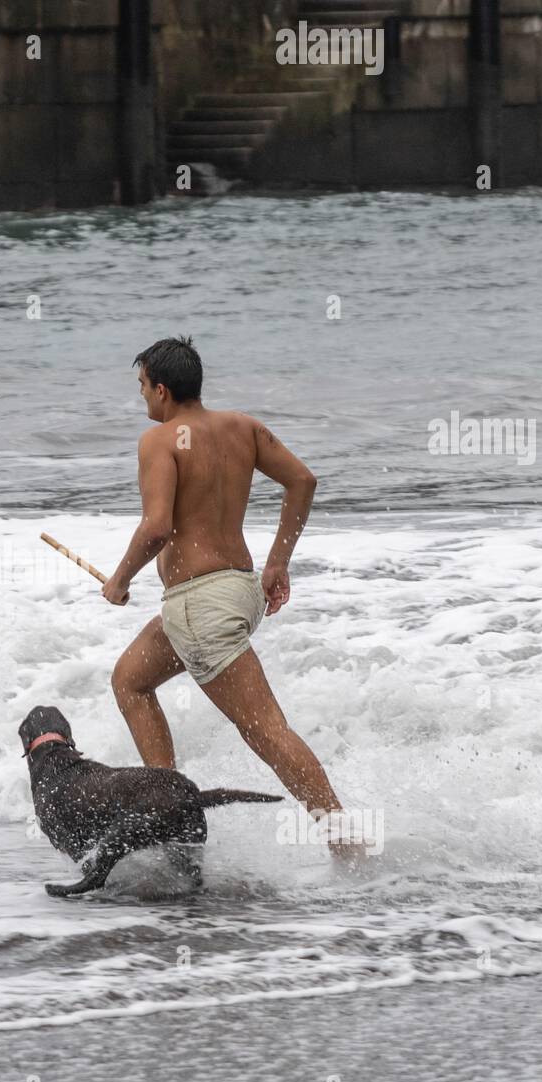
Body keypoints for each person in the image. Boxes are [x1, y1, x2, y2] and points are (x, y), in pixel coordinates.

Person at [103, 336, 346, 830]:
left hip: (202, 608)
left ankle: (341, 833)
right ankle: (167, 814)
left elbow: (156, 527)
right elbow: (303, 481)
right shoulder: (243, 427)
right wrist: (278, 563)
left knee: (267, 732)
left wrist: (119, 579)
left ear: (163, 391)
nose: (143, 397)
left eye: (143, 387)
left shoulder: (159, 440)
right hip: (239, 589)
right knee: (130, 680)